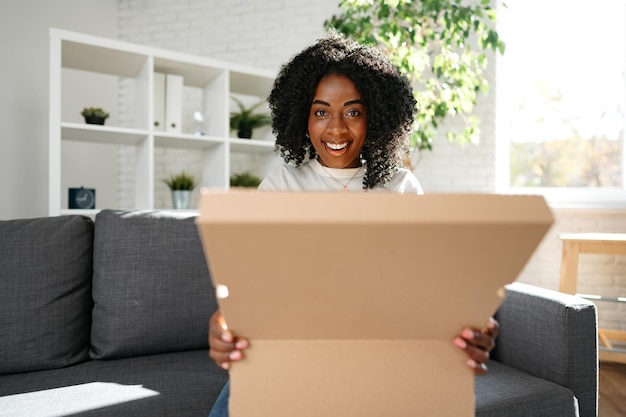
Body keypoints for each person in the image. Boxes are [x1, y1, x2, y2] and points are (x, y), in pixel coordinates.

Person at [207, 31, 499, 417]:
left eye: (354, 112)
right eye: (321, 111)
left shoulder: (400, 186)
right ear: (302, 116)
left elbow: (428, 283)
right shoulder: (282, 184)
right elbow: (250, 283)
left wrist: (462, 321)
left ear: (375, 116)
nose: (337, 129)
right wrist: (226, 319)